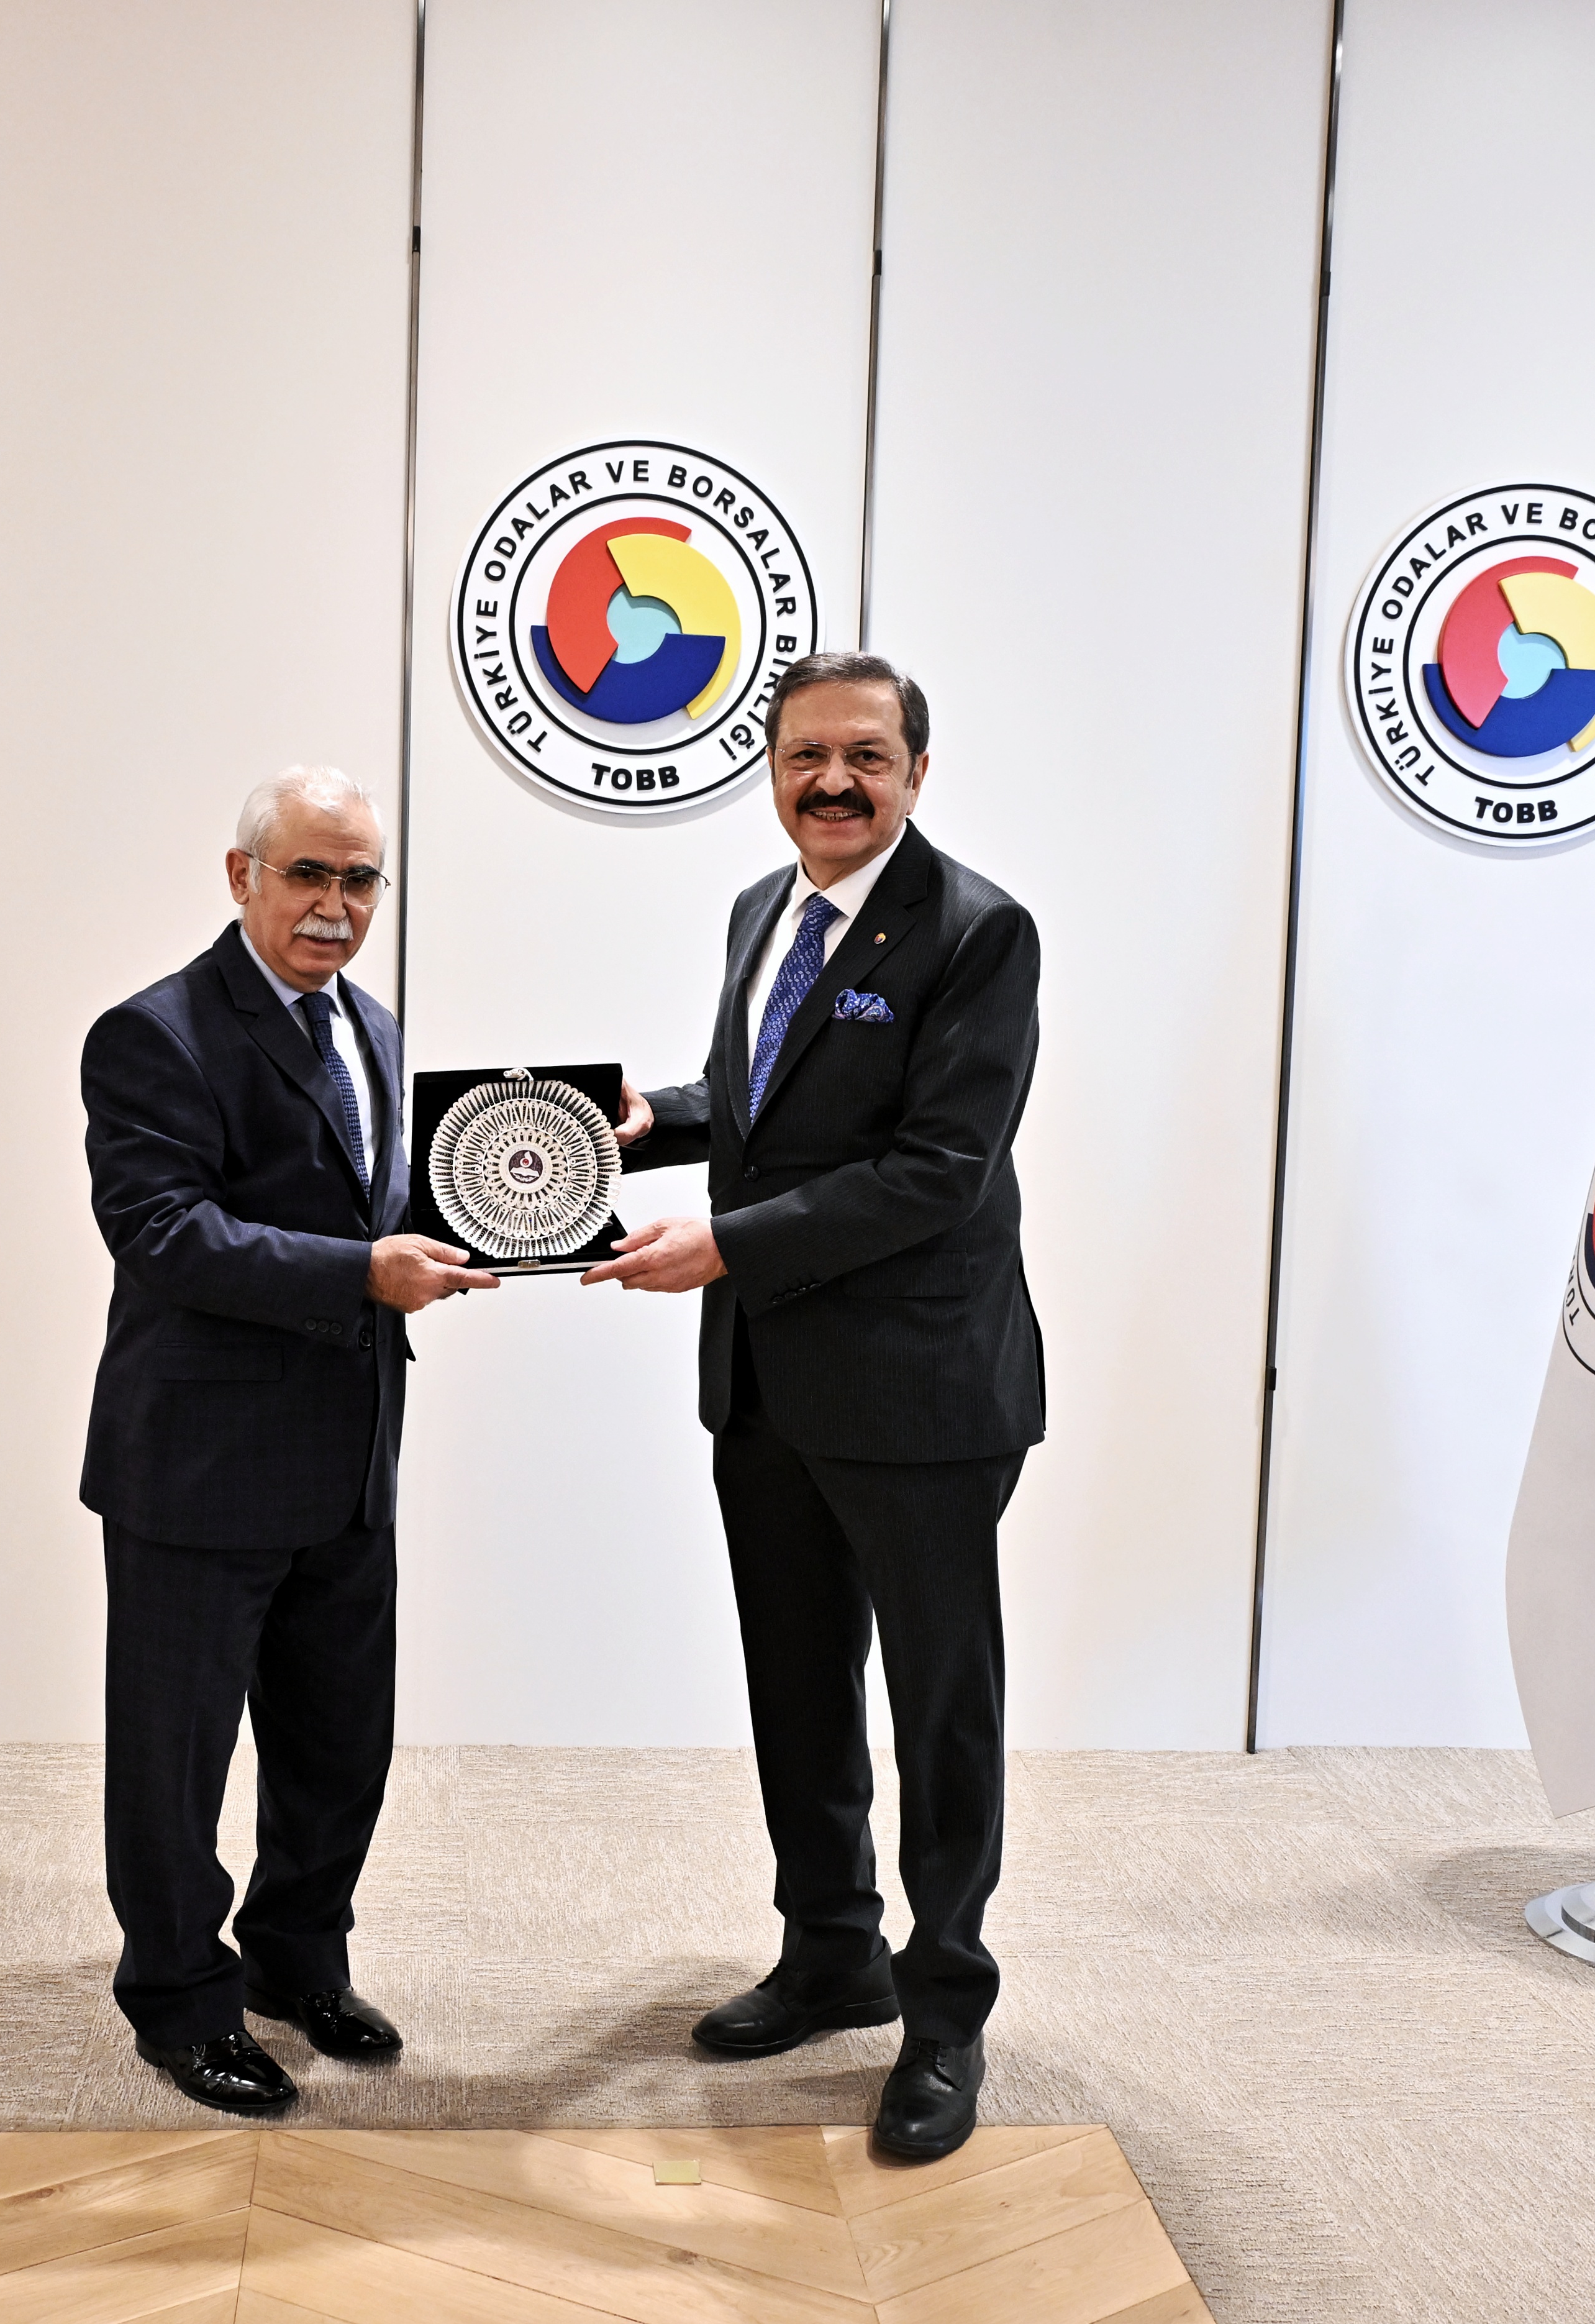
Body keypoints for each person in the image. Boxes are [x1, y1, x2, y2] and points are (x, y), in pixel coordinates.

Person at [583, 653, 1044, 2160]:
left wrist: (725, 1242)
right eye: (804, 756)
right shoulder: (760, 910)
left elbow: (936, 1169)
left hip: (921, 1391)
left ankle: (945, 2007)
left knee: (938, 1708)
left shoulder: (977, 930)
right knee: (795, 1682)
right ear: (771, 768)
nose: (831, 781)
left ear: (916, 770)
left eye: (864, 755)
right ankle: (831, 1947)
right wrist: (655, 1118)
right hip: (768, 1381)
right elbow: (769, 1103)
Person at [80, 765, 496, 2114]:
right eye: (308, 873)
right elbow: (164, 1231)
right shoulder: (153, 1033)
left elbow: (381, 1200)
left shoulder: (370, 1022)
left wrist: (503, 1213)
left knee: (336, 1747)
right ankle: (179, 2001)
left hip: (348, 1460)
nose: (335, 904)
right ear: (241, 875)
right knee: (176, 1763)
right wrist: (362, 1272)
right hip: (198, 1469)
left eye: (359, 878)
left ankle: (298, 1959)